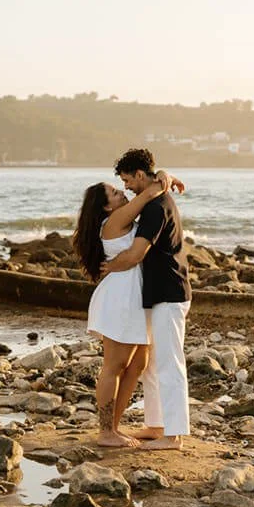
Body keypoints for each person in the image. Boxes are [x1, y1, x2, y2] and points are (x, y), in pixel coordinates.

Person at [72, 170, 181, 446]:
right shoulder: (115, 219)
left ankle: (113, 427)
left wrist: (164, 174)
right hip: (121, 297)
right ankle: (105, 432)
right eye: (115, 192)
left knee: (137, 365)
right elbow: (148, 192)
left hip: (136, 296)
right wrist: (163, 177)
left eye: (121, 187)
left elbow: (151, 191)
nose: (122, 191)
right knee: (115, 365)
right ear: (106, 206)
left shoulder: (122, 216)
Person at [101, 147, 192, 450]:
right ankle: (156, 425)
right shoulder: (155, 197)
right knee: (152, 364)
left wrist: (111, 266)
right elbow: (159, 181)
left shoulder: (155, 208)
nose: (125, 186)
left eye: (127, 180)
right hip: (157, 292)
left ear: (140, 175)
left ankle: (174, 435)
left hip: (169, 292)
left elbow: (137, 254)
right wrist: (166, 176)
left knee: (169, 362)